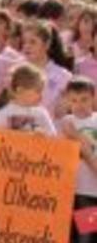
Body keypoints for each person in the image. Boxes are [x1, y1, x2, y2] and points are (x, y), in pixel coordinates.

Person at [60, 78, 97, 243]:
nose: (79, 104)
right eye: (74, 100)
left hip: (91, 191)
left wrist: (76, 136)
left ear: (94, 98)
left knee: (87, 236)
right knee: (68, 234)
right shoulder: (66, 122)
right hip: (70, 190)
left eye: (84, 99)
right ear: (67, 100)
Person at [0, 63, 57, 135]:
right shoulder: (5, 113)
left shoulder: (42, 113)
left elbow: (53, 137)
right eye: (37, 91)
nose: (41, 96)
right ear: (20, 90)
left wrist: (43, 135)